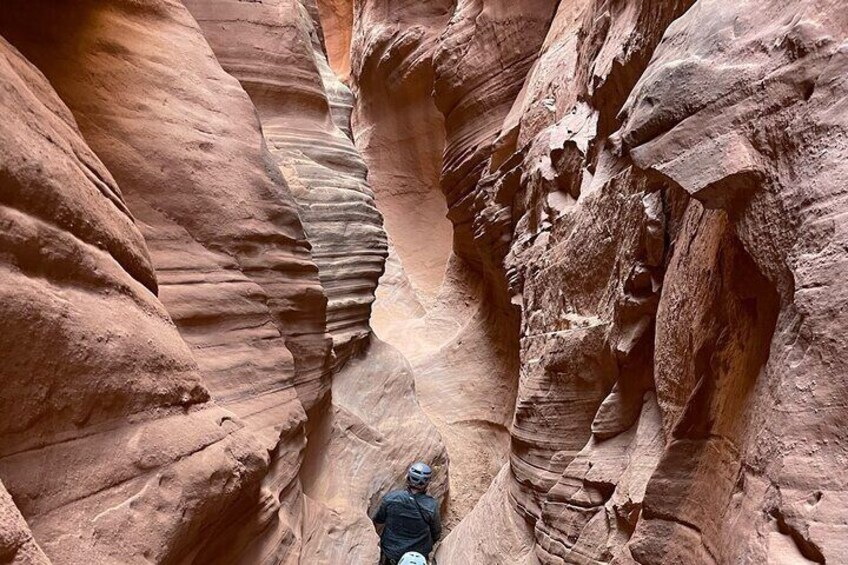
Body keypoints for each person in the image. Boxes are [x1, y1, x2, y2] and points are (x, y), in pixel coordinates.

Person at [373, 462, 441, 565]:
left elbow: (379, 520)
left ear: (408, 478)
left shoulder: (390, 498)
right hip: (418, 554)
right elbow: (436, 533)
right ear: (427, 483)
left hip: (391, 553)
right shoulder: (431, 506)